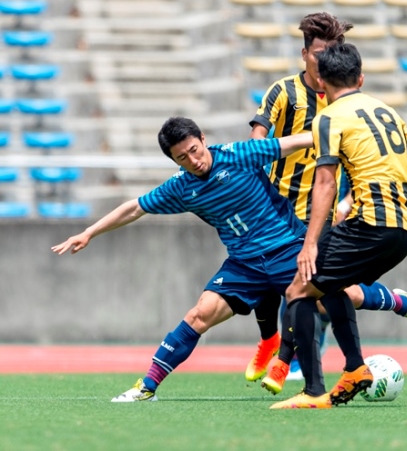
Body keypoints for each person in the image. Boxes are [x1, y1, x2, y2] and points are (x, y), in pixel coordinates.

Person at [51, 116, 314, 401]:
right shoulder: (181, 187)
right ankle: (147, 387)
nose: (193, 160)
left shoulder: (240, 154)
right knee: (199, 315)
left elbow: (301, 140)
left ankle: (316, 368)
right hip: (244, 264)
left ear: (203, 139)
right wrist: (89, 233)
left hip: (287, 247)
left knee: (333, 299)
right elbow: (134, 208)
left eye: (194, 150)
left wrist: (339, 131)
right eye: (182, 158)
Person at [248, 12, 407, 389]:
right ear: (305, 55)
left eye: (330, 53)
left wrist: (349, 201)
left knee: (305, 287)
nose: (323, 59)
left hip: (324, 213)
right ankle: (388, 312)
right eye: (319, 52)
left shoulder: (338, 110)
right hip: (284, 209)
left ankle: (296, 370)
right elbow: (256, 145)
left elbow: (330, 179)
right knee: (310, 287)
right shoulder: (286, 92)